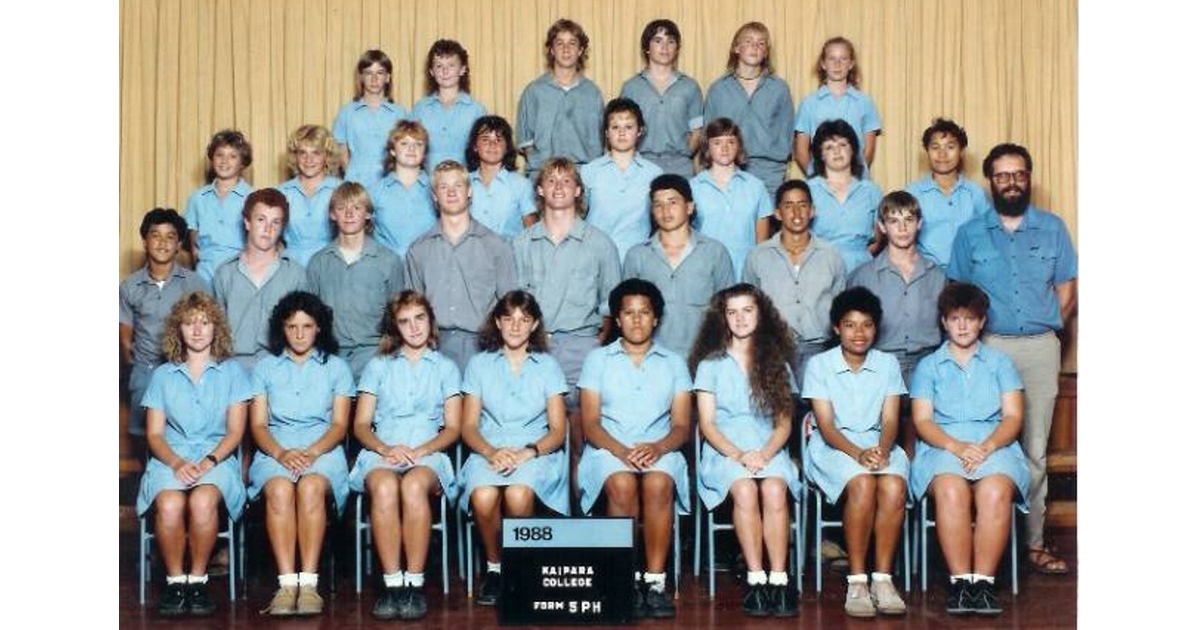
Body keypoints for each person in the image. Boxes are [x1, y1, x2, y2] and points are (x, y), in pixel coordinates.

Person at [946, 142, 1078, 575]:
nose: (1011, 182)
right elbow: (957, 298)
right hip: (988, 350)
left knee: (1035, 450)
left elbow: (1066, 292)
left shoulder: (1053, 228)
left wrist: (1042, 328)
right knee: (986, 446)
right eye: (1002, 175)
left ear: (1029, 177)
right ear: (990, 181)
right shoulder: (969, 234)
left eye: (1018, 174)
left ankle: (1033, 544)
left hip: (1040, 348)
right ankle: (989, 550)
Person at [909, 283, 1030, 616]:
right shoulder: (928, 366)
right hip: (943, 445)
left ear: (982, 321)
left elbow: (1013, 416)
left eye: (970, 318)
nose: (962, 326)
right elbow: (923, 420)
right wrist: (956, 446)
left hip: (994, 443)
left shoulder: (1000, 363)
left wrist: (988, 446)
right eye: (955, 318)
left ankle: (984, 585)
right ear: (944, 322)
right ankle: (962, 584)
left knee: (994, 490)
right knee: (951, 489)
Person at [577, 279, 692, 619]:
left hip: (661, 447)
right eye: (629, 313)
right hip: (608, 449)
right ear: (617, 317)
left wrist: (657, 448)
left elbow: (683, 426)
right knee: (623, 483)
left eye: (645, 313)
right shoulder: (598, 360)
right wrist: (621, 451)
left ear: (656, 318)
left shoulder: (674, 362)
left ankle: (655, 582)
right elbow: (591, 424)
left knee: (658, 483)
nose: (637, 320)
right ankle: (623, 577)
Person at [348, 291, 462, 621]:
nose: (413, 328)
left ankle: (414, 582)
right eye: (404, 321)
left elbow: (453, 428)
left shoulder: (446, 368)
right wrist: (385, 449)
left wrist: (421, 451)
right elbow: (361, 425)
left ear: (431, 321)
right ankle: (392, 583)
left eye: (419, 318)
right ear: (395, 328)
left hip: (429, 452)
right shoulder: (378, 366)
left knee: (413, 487)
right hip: (383, 451)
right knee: (384, 487)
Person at [136, 292, 251, 617]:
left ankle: (198, 579)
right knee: (170, 503)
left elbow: (235, 432)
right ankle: (176, 582)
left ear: (217, 328)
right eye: (189, 323)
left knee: (202, 501)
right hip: (171, 457)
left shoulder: (232, 374)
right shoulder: (162, 376)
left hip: (216, 458)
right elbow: (155, 433)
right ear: (178, 330)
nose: (197, 330)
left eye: (205, 322)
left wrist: (209, 462)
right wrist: (176, 462)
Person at [689, 283, 800, 617]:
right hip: (726, 451)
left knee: (776, 488)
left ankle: (779, 580)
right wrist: (739, 456)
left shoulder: (776, 363)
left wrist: (764, 454)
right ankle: (755, 578)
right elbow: (707, 425)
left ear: (761, 313)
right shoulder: (710, 364)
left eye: (747, 310)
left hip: (768, 447)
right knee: (745, 491)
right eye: (732, 312)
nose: (740, 318)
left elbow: (784, 424)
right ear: (722, 318)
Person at [457, 291, 569, 605]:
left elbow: (559, 430)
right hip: (489, 450)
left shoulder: (547, 366)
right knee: (483, 495)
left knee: (519, 493)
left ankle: (521, 568)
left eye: (524, 320)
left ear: (534, 325)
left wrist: (527, 452)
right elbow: (468, 426)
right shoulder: (479, 364)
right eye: (509, 319)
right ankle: (495, 569)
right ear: (497, 322)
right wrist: (492, 452)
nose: (516, 327)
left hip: (535, 452)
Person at [803, 287, 909, 618]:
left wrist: (883, 448)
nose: (859, 333)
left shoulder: (887, 363)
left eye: (866, 325)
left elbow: (891, 417)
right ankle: (857, 580)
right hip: (834, 445)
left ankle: (882, 578)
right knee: (862, 483)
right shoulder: (819, 365)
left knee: (892, 485)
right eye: (850, 325)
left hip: (879, 442)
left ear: (876, 328)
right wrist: (858, 453)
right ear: (836, 328)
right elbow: (827, 425)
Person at [514, 157, 620, 479]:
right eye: (551, 180)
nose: (558, 187)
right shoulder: (521, 243)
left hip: (582, 348)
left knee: (580, 434)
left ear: (578, 190)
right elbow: (514, 303)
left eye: (566, 181)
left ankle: (580, 514)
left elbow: (611, 305)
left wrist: (594, 346)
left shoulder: (600, 243)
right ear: (539, 189)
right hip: (534, 350)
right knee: (535, 431)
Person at [248, 291, 353, 616]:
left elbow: (339, 425)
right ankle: (285, 584)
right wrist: (280, 454)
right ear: (282, 328)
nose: (299, 333)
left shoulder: (336, 367)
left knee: (309, 488)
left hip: (322, 449)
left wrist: (311, 453)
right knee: (279, 489)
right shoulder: (264, 369)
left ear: (319, 328)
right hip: (275, 449)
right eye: (292, 326)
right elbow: (259, 426)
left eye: (307, 326)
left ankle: (308, 584)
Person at [404, 160, 517, 373]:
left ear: (470, 191)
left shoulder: (496, 246)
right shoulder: (418, 250)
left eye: (458, 185)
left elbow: (510, 307)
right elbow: (412, 310)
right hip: (434, 349)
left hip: (484, 348)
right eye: (443, 187)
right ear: (434, 196)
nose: (452, 192)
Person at [743, 180, 845, 392]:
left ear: (812, 211)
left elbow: (839, 307)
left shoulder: (831, 256)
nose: (796, 212)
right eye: (789, 206)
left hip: (819, 350)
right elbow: (749, 306)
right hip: (774, 351)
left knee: (814, 418)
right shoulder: (758, 256)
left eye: (802, 204)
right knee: (778, 416)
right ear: (778, 213)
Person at [121, 208, 209, 442]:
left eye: (170, 237)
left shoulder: (195, 283)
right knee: (144, 437)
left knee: (180, 435)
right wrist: (134, 364)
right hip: (145, 371)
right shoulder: (129, 286)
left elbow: (208, 328)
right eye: (155, 235)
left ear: (179, 244)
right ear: (144, 241)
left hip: (183, 370)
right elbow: (125, 331)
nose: (162, 243)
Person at [623, 174, 735, 356]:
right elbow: (626, 313)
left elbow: (729, 310)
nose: (665, 211)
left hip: (704, 358)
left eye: (672, 202)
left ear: (689, 207)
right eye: (658, 204)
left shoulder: (715, 252)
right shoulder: (637, 255)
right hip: (652, 359)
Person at [306, 181, 406, 379]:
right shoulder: (318, 262)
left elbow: (398, 317)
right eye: (342, 208)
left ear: (368, 214)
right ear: (332, 215)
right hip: (331, 358)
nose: (349, 214)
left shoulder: (389, 260)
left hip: (375, 357)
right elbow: (309, 318)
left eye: (357, 208)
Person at [847, 190, 946, 386]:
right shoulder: (862, 276)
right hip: (880, 363)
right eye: (893, 221)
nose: (902, 228)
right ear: (882, 227)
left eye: (909, 220)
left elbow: (946, 328)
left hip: (927, 363)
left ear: (919, 224)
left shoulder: (937, 275)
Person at [212, 188, 308, 371]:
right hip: (232, 368)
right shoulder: (225, 273)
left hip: (280, 368)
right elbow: (215, 333)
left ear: (282, 228)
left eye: (276, 222)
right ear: (247, 222)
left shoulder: (296, 274)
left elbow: (304, 332)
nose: (268, 229)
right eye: (261, 220)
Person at [703, 22, 793, 198]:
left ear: (766, 52)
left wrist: (779, 165)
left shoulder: (779, 88)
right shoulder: (718, 89)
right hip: (728, 170)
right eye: (749, 41)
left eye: (761, 43)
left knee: (766, 225)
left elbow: (788, 134)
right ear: (736, 48)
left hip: (770, 173)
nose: (755, 47)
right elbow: (708, 134)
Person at [516, 19, 604, 173]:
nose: (566, 49)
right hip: (543, 174)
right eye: (559, 43)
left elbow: (600, 139)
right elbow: (525, 140)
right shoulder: (534, 91)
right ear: (551, 50)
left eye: (572, 43)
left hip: (583, 174)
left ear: (580, 50)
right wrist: (542, 167)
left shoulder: (592, 93)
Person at [581, 97, 664, 260]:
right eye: (615, 127)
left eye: (628, 127)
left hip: (638, 260)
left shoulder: (654, 174)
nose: (621, 132)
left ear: (639, 131)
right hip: (595, 258)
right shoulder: (589, 171)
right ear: (606, 132)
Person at [619, 18, 703, 178]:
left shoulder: (690, 86)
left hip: (680, 166)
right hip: (640, 165)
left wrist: (683, 155)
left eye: (670, 41)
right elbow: (622, 128)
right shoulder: (631, 87)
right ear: (647, 48)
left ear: (677, 48)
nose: (665, 47)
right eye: (658, 41)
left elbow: (697, 132)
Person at [689, 118, 772, 279]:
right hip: (707, 273)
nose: (725, 148)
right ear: (707, 147)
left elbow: (761, 243)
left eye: (731, 142)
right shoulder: (693, 187)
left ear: (739, 146)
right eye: (717, 142)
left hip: (745, 274)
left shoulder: (756, 187)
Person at [905, 118, 991, 268]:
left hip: (968, 275)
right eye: (935, 147)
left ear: (961, 151)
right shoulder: (913, 193)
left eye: (950, 147)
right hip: (926, 274)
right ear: (927, 151)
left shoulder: (975, 193)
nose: (942, 154)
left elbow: (988, 235)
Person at [793, 37, 882, 177]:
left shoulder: (864, 102)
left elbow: (869, 150)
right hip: (821, 182)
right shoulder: (809, 103)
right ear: (823, 63)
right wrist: (817, 178)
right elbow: (801, 151)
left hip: (856, 182)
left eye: (843, 59)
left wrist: (856, 179)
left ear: (851, 63)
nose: (837, 64)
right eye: (832, 59)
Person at [807, 119, 884, 272]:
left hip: (862, 268)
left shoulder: (871, 191)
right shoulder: (808, 190)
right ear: (821, 155)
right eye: (829, 147)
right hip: (819, 268)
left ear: (853, 150)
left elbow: (879, 239)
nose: (837, 151)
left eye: (843, 145)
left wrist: (859, 259)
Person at [185, 129, 255, 286]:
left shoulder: (253, 197)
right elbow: (193, 239)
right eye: (219, 155)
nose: (225, 161)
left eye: (232, 156)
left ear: (242, 162)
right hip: (205, 270)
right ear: (212, 158)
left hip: (240, 269)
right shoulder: (198, 197)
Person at [333, 50, 407, 187]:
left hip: (390, 183)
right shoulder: (347, 112)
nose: (374, 79)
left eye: (380, 73)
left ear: (388, 77)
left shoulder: (399, 113)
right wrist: (351, 174)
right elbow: (341, 149)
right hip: (357, 183)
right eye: (368, 73)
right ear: (361, 77)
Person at [410, 39, 487, 169]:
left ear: (462, 69)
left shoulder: (477, 110)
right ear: (431, 72)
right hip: (427, 184)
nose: (445, 71)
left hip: (464, 185)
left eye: (451, 65)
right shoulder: (420, 109)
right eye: (439, 66)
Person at [278, 125, 343, 267]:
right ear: (295, 156)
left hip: (330, 264)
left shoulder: (340, 189)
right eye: (303, 153)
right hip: (291, 266)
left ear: (327, 155)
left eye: (316, 153)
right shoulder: (282, 192)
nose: (309, 159)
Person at [369, 120, 437, 257]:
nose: (411, 148)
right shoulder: (375, 192)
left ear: (424, 152)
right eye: (404, 143)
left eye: (418, 144)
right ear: (393, 150)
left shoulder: (437, 188)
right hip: (387, 271)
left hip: (429, 269)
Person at [465, 115, 538, 239]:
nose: (492, 144)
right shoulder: (463, 182)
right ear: (475, 146)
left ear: (507, 148)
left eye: (498, 140)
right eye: (485, 139)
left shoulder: (521, 184)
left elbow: (531, 232)